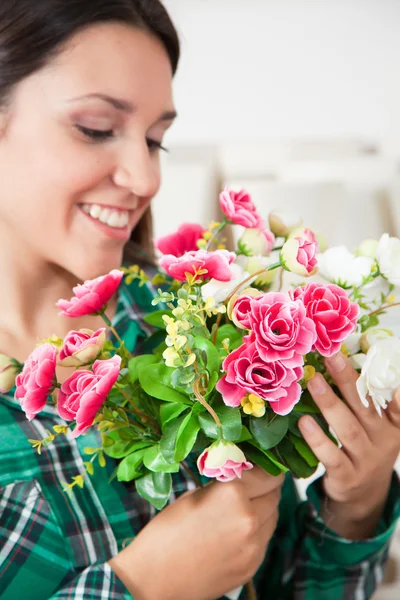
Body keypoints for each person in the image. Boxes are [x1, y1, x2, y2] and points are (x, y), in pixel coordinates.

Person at [0, 1, 399, 599]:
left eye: (156, 139)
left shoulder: (187, 324)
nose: (145, 176)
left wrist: (356, 506)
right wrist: (141, 586)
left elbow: (287, 586)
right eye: (96, 128)